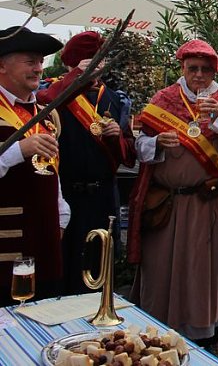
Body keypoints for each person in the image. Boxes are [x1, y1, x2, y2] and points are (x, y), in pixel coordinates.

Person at [127, 39, 218, 346]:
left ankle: (202, 334)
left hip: (207, 204)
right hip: (166, 204)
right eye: (192, 68)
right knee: (161, 270)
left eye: (206, 70)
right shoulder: (163, 100)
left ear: (215, 71)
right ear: (182, 67)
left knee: (200, 271)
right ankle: (158, 330)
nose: (198, 75)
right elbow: (138, 149)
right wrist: (156, 144)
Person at [37, 31, 136, 295]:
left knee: (99, 264)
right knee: (63, 265)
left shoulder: (117, 99)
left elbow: (130, 155)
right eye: (87, 64)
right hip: (66, 194)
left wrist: (117, 139)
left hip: (103, 196)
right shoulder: (53, 91)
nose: (94, 72)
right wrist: (75, 79)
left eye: (98, 63)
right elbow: (42, 106)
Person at [0, 26, 67, 305]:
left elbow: (52, 170)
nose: (39, 68)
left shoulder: (47, 116)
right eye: (30, 61)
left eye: (40, 61)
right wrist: (18, 150)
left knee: (44, 313)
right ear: (2, 64)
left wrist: (62, 213)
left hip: (45, 238)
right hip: (6, 243)